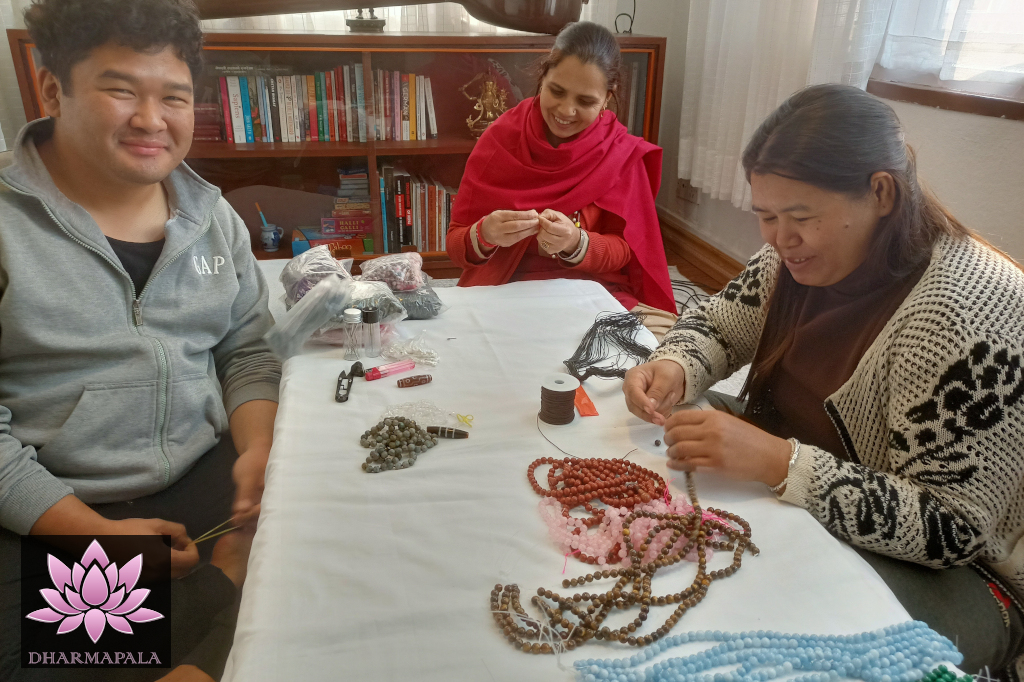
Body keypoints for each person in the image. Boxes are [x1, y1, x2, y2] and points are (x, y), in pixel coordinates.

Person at [623, 83, 1024, 675]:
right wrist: (677, 364)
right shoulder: (795, 255)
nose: (778, 239)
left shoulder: (958, 314)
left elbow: (954, 528)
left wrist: (783, 463)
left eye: (799, 218)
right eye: (765, 216)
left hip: (954, 574)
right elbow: (720, 323)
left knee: (736, 638)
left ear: (881, 193)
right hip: (799, 495)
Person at [0, 1, 281, 680]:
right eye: (121, 89)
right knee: (64, 664)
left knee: (322, 602)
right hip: (52, 501)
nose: (152, 120)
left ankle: (218, 598)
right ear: (52, 89)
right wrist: (90, 533)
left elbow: (245, 348)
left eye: (174, 97)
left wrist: (258, 448)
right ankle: (224, 591)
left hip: (205, 479)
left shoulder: (214, 221)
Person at [446, 21, 677, 336]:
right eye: (556, 91)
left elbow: (625, 252)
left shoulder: (620, 153)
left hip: (591, 292)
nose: (566, 111)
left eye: (585, 101)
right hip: (506, 286)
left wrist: (576, 242)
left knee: (663, 358)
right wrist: (485, 233)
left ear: (608, 97)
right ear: (543, 77)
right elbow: (457, 246)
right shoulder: (499, 138)